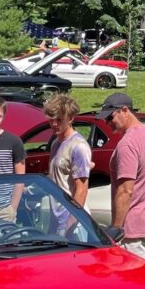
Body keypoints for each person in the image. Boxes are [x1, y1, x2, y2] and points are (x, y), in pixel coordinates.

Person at [104, 93, 145, 262]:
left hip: (133, 229)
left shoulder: (128, 143)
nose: (108, 124)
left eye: (110, 118)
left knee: (132, 282)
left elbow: (126, 190)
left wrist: (116, 228)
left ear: (125, 110)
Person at [44, 93, 92, 233]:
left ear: (70, 118)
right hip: (56, 217)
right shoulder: (55, 143)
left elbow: (81, 189)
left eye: (59, 120)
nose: (54, 124)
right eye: (51, 120)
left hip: (72, 223)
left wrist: (71, 223)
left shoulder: (78, 146)